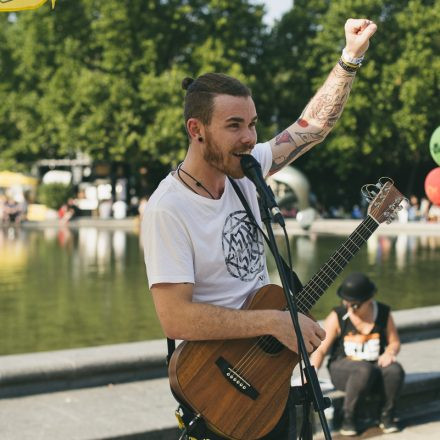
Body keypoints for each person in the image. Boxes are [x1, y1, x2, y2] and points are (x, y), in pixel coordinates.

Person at [142, 18, 377, 440]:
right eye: (234, 126)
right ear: (196, 130)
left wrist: (350, 58)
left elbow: (313, 127)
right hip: (216, 387)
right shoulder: (168, 208)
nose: (250, 137)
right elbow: (174, 318)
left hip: (268, 374)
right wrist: (272, 322)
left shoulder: (246, 171)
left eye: (252, 124)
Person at [310, 273, 405, 436]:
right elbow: (321, 349)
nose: (349, 307)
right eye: (346, 302)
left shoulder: (383, 313)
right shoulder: (337, 316)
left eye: (355, 305)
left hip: (374, 367)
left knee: (395, 370)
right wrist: (311, 373)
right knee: (363, 369)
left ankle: (386, 415)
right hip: (344, 368)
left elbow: (394, 342)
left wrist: (389, 352)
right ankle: (348, 419)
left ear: (369, 300)